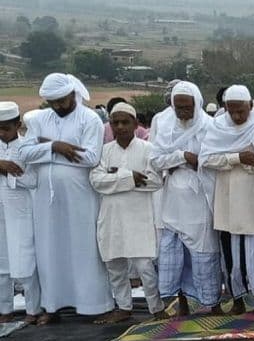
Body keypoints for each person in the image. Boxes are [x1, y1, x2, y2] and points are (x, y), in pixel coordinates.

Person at [19, 74, 112, 324]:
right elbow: (24, 153)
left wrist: (47, 147)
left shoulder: (90, 119)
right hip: (45, 199)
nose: (58, 106)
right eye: (53, 102)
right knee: (49, 248)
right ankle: (52, 306)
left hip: (80, 195)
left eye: (62, 100)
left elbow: (90, 157)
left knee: (84, 248)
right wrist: (55, 147)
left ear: (72, 94)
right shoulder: (39, 119)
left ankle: (94, 305)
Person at [199, 85, 254, 315]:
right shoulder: (217, 127)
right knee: (231, 252)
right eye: (232, 111)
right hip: (227, 197)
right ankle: (237, 299)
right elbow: (207, 159)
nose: (237, 117)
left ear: (250, 105)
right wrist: (238, 156)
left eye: (241, 111)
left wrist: (236, 159)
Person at [150, 81, 222, 316]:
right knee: (175, 252)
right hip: (173, 200)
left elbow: (213, 160)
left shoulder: (209, 126)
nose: (182, 112)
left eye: (186, 107)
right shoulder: (165, 125)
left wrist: (189, 160)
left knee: (203, 251)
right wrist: (183, 156)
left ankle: (212, 302)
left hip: (200, 198)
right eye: (177, 107)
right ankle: (181, 301)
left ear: (197, 104)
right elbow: (155, 160)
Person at [90, 102, 165, 322]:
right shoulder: (104, 151)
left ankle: (156, 307)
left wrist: (116, 178)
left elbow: (155, 181)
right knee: (114, 265)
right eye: (116, 123)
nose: (121, 127)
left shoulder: (147, 149)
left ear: (135, 123)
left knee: (145, 267)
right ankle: (123, 307)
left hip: (138, 215)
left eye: (125, 122)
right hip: (111, 215)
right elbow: (96, 181)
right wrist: (129, 177)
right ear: (110, 125)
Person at [0, 102, 41, 324]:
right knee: (1, 265)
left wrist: (8, 172)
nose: (2, 133)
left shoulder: (27, 147)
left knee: (25, 261)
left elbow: (33, 180)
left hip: (21, 211)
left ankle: (32, 310)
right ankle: (4, 310)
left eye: (6, 128)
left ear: (18, 124)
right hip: (0, 214)